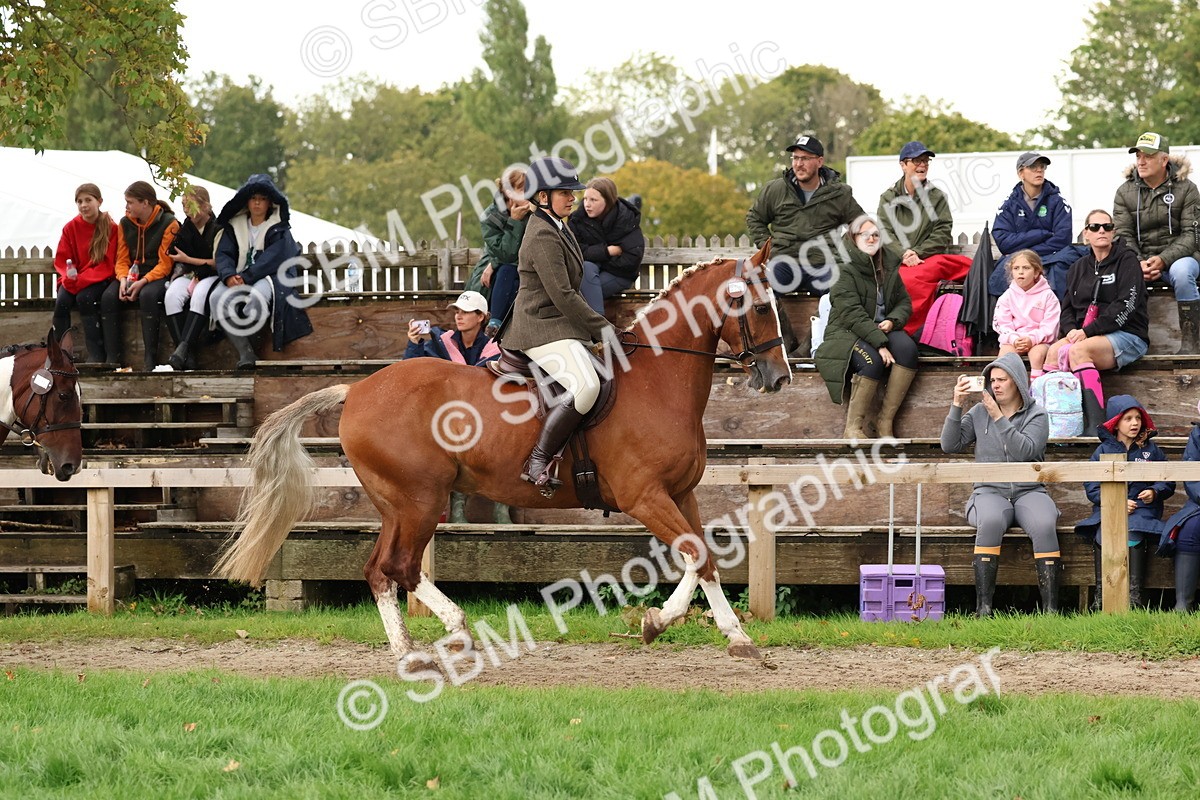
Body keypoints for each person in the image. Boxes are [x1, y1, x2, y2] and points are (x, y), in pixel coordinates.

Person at [502, 157, 615, 491]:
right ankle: (538, 458)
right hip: (539, 326)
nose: (572, 197)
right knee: (587, 386)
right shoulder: (541, 235)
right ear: (542, 197)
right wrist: (603, 329)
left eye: (573, 192)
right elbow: (564, 295)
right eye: (564, 192)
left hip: (559, 324)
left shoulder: (559, 226)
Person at [941, 353, 1061, 616]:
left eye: (1001, 380)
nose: (995, 385)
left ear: (1017, 382)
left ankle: (1051, 611)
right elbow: (950, 445)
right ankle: (983, 609)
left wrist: (999, 418)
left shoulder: (1037, 415)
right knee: (992, 521)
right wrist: (956, 405)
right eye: (992, 380)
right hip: (989, 491)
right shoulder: (978, 412)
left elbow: (1025, 451)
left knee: (1044, 524)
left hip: (1030, 490)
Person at [405, 290, 510, 524]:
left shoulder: (496, 347)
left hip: (488, 417)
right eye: (457, 312)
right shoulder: (442, 343)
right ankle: (458, 507)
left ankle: (502, 507)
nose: (459, 317)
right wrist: (414, 343)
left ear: (481, 317)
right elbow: (410, 369)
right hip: (450, 416)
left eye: (466, 312)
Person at [1046, 209, 1149, 431]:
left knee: (1078, 351)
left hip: (1128, 334)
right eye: (1095, 227)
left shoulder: (1127, 260)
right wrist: (1072, 330)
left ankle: (1095, 426)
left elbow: (1127, 305)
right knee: (1053, 351)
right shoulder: (1077, 268)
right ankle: (1059, 424)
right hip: (1088, 334)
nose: (1101, 231)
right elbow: (1067, 309)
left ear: (1113, 232)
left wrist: (1087, 332)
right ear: (1086, 234)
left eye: (1107, 227)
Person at [814, 218, 917, 439]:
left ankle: (884, 422)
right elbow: (851, 314)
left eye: (875, 235)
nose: (871, 238)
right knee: (872, 361)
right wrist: (880, 343)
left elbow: (904, 302)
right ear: (853, 238)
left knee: (908, 350)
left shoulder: (887, 265)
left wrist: (892, 320)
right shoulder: (842, 269)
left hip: (882, 328)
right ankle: (852, 429)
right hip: (847, 332)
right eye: (865, 235)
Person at [1075, 395, 1173, 610]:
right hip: (1108, 510)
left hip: (1143, 512)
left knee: (1133, 529)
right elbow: (1092, 487)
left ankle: (1134, 596)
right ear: (1115, 422)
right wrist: (1117, 503)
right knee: (1103, 532)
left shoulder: (1152, 451)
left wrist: (1154, 492)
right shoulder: (1102, 451)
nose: (1135, 423)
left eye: (1138, 417)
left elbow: (1168, 480)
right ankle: (1101, 595)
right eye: (1128, 418)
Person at [209, 174, 313, 369]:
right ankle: (246, 353)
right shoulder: (234, 225)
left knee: (257, 298)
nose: (257, 203)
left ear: (270, 202)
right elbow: (223, 254)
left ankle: (256, 348)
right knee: (216, 299)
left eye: (262, 199)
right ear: (246, 201)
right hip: (236, 277)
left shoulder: (279, 228)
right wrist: (229, 275)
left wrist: (247, 277)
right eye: (253, 198)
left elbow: (273, 259)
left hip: (269, 277)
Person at [747, 133, 866, 296]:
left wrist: (848, 252)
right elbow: (755, 218)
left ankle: (826, 322)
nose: (798, 164)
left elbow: (861, 224)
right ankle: (780, 322)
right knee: (763, 290)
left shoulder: (838, 193)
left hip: (822, 263)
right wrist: (768, 247)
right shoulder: (775, 189)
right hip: (783, 262)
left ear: (819, 161)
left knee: (840, 291)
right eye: (795, 158)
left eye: (805, 158)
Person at [1113, 131, 1200, 353]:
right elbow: (1123, 234)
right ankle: (1129, 343)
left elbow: (1192, 235)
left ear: (1164, 160)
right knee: (1118, 274)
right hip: (1141, 260)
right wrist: (1138, 262)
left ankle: (1191, 342)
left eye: (1148, 156)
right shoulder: (1124, 192)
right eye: (1138, 156)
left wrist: (1163, 260)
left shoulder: (1187, 188)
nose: (1141, 161)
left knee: (1182, 273)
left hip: (1181, 258)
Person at [876, 141, 972, 335]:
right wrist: (904, 254)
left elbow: (943, 231)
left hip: (926, 258)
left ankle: (911, 330)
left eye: (926, 161)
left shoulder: (937, 197)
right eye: (917, 161)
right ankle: (910, 330)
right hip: (897, 259)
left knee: (914, 278)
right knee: (903, 278)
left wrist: (917, 252)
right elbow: (885, 232)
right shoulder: (888, 197)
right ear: (903, 165)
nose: (923, 165)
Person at [101, 180, 180, 369]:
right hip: (131, 274)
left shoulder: (170, 223)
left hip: (156, 275)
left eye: (130, 202)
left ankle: (150, 358)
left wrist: (143, 282)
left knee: (148, 295)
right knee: (108, 297)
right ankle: (112, 357)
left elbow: (165, 263)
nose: (126, 206)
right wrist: (122, 279)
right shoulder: (125, 222)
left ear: (145, 203)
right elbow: (122, 258)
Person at [990, 152, 1083, 298]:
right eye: (1033, 167)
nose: (1039, 170)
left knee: (1058, 268)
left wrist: (1027, 253)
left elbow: (1061, 240)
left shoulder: (1058, 202)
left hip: (1050, 259)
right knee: (1002, 274)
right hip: (1019, 260)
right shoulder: (1009, 205)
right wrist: (1041, 234)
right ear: (1021, 173)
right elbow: (1004, 242)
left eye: (1042, 167)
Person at [52, 183, 118, 362]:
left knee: (85, 299)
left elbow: (108, 264)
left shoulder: (111, 228)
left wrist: (82, 280)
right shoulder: (70, 227)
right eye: (79, 201)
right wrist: (68, 278)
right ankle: (60, 354)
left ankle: (96, 353)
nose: (83, 205)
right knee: (62, 302)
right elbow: (63, 259)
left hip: (98, 278)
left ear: (99, 201)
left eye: (88, 200)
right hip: (75, 279)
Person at [467, 168, 531, 337]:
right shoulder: (490, 216)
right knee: (507, 271)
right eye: (523, 188)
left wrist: (494, 263)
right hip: (504, 272)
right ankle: (494, 326)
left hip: (524, 268)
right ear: (509, 192)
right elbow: (506, 254)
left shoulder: (536, 212)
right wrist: (515, 222)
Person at [567, 176, 645, 314]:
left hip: (619, 274)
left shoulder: (625, 218)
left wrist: (596, 259)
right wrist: (607, 252)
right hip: (588, 272)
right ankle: (600, 328)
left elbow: (632, 258)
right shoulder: (577, 219)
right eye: (585, 199)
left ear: (608, 201)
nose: (587, 204)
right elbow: (575, 251)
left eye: (593, 200)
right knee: (587, 268)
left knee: (581, 294)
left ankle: (596, 329)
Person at [164, 187, 218, 370]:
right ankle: (187, 355)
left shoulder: (218, 228)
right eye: (183, 205)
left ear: (205, 206)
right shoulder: (185, 228)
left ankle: (184, 348)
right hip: (190, 273)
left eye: (191, 205)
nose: (186, 210)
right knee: (171, 296)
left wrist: (189, 260)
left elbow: (219, 262)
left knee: (200, 295)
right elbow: (175, 254)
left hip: (212, 275)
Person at [992, 250, 1061, 380]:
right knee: (1005, 355)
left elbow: (1050, 327)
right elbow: (1001, 323)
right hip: (1014, 340)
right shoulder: (1007, 296)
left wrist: (1032, 339)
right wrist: (1013, 339)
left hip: (1040, 340)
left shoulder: (1048, 296)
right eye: (1016, 268)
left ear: (1036, 272)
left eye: (1026, 268)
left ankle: (1035, 389)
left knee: (1037, 354)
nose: (1021, 272)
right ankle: (1010, 390)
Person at [1159, 400, 1200, 612]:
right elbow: (1192, 475)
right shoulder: (1197, 435)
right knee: (1188, 529)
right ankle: (1183, 603)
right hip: (1199, 503)